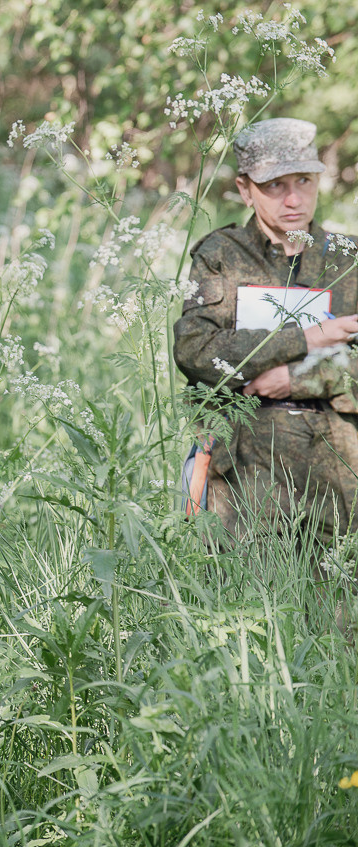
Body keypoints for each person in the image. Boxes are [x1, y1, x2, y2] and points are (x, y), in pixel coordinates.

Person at [174, 117, 358, 541]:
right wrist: (308, 337)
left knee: (335, 604)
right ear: (244, 188)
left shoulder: (348, 261)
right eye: (275, 185)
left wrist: (295, 378)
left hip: (337, 475)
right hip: (242, 473)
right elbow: (196, 353)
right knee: (241, 601)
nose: (293, 199)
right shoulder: (221, 255)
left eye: (304, 181)